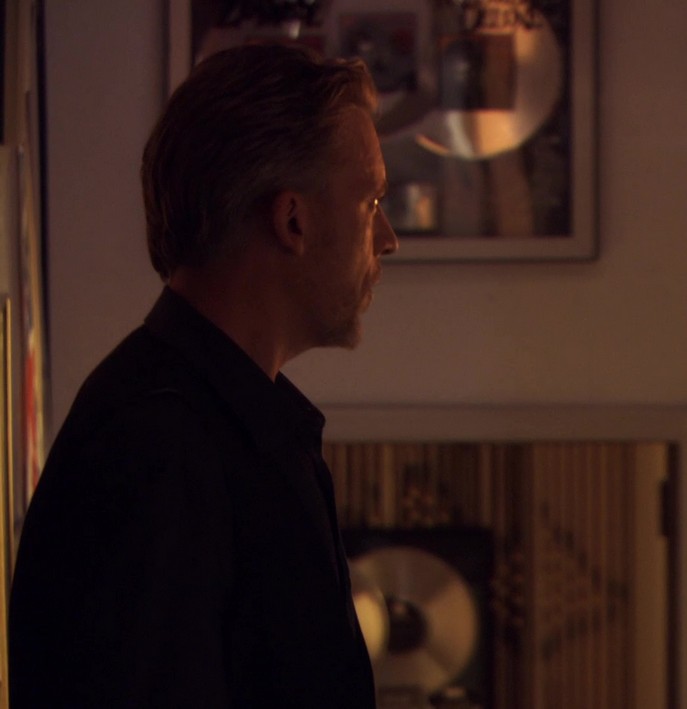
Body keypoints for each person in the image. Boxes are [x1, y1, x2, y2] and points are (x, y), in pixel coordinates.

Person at [9, 43, 398, 708]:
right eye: (371, 202)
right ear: (293, 220)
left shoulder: (228, 428)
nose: (387, 237)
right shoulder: (155, 446)